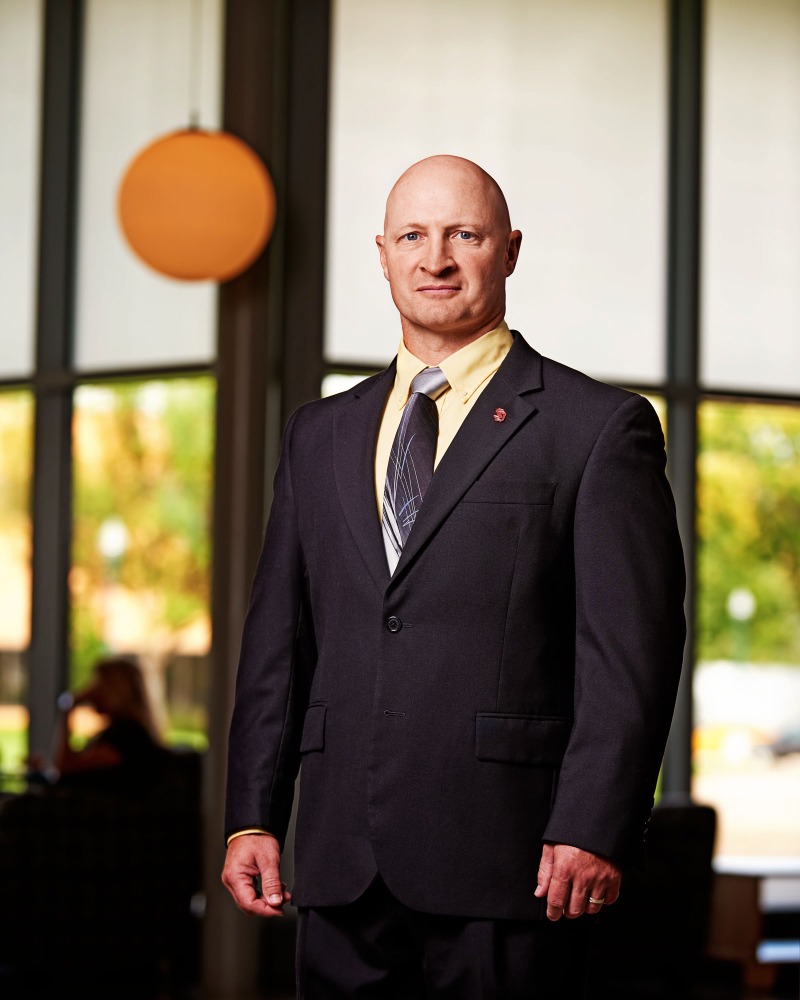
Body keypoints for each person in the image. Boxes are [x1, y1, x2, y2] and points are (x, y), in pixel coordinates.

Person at [222, 155, 686, 998]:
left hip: (509, 860)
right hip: (340, 860)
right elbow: (278, 646)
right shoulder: (317, 434)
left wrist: (594, 823)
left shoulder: (596, 428)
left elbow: (631, 654)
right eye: (412, 236)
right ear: (382, 254)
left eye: (463, 235)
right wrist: (252, 814)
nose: (434, 259)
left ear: (509, 250)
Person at [51, 656, 163, 791]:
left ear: (116, 691)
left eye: (98, 685)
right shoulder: (126, 732)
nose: (91, 690)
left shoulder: (127, 735)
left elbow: (67, 770)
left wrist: (67, 711)